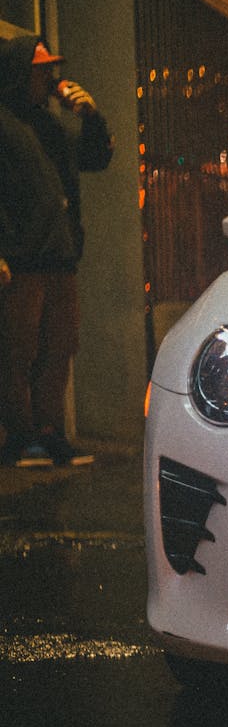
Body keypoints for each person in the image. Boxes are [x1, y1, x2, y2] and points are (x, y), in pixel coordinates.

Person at [0, 35, 112, 466]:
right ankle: (20, 437)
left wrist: (91, 116)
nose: (50, 77)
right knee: (18, 351)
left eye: (51, 69)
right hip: (22, 259)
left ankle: (49, 434)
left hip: (59, 257)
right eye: (41, 69)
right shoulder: (4, 123)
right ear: (18, 74)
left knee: (59, 347)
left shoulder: (52, 124)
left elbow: (96, 157)